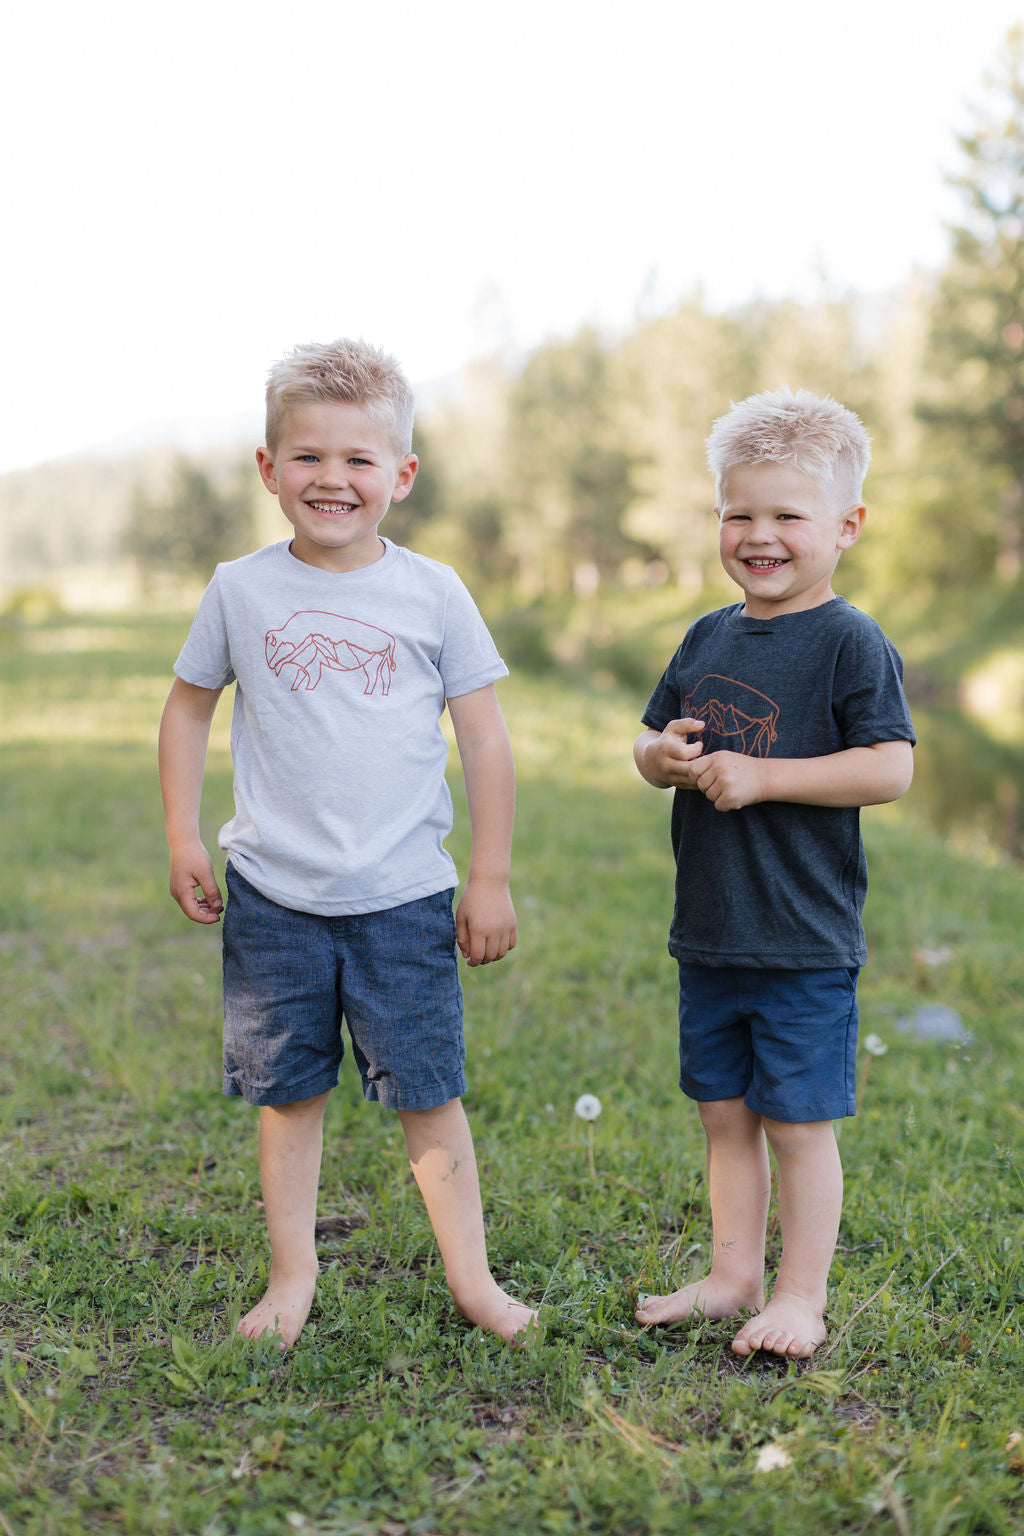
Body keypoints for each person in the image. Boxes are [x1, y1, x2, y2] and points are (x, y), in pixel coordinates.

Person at [158, 338, 536, 1349]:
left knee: (429, 1094)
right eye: (309, 456)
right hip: (273, 894)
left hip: (403, 896)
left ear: (401, 475)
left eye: (358, 459)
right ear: (268, 467)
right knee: (288, 1096)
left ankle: (472, 1282)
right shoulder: (240, 589)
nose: (333, 478)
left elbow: (486, 741)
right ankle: (292, 1277)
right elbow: (188, 707)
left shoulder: (434, 592)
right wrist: (183, 832)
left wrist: (489, 877)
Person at [632, 387, 914, 1359]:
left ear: (846, 526)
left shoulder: (849, 641)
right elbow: (648, 741)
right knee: (723, 1115)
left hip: (801, 938)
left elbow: (890, 767)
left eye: (787, 515)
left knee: (796, 1123)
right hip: (711, 929)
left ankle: (800, 1297)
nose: (759, 535)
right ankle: (731, 1278)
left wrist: (765, 777)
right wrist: (661, 756)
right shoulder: (707, 635)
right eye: (737, 514)